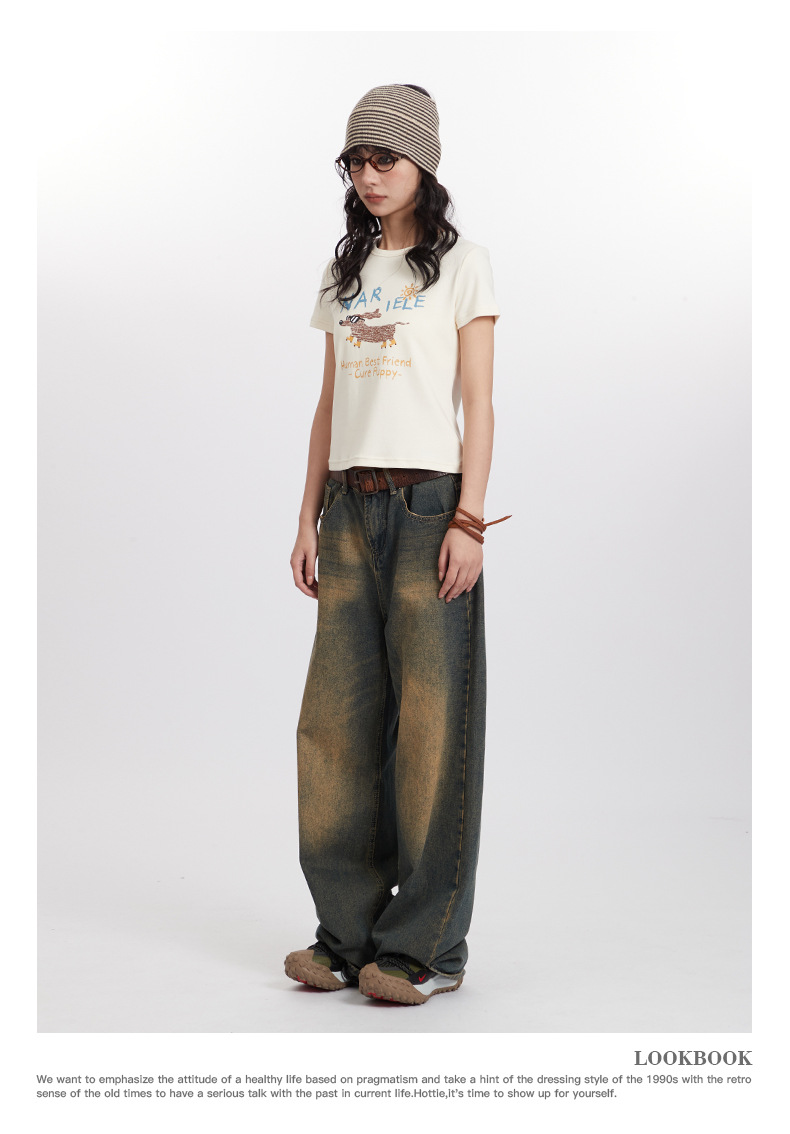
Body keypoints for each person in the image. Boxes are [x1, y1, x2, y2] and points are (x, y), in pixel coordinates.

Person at [286, 83, 510, 1006]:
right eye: (357, 161)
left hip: (428, 512)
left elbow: (480, 403)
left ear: (424, 164)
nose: (369, 176)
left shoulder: (463, 266)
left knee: (432, 727)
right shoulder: (343, 273)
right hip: (348, 509)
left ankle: (428, 946)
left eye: (386, 159)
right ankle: (346, 936)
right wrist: (306, 516)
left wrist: (469, 519)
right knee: (335, 725)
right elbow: (329, 404)